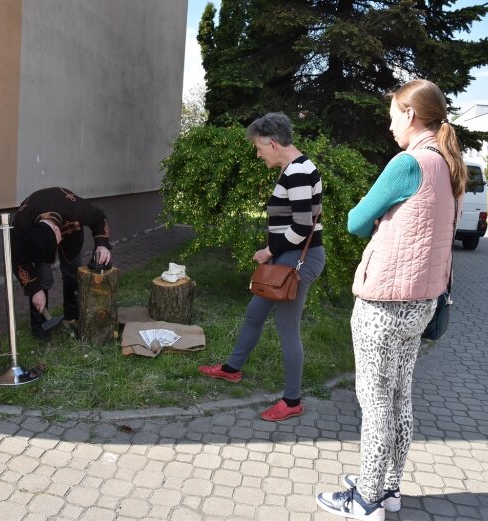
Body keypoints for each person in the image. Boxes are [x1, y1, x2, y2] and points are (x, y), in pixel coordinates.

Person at [316, 80, 466, 521]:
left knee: (375, 398)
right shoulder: (448, 166)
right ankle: (389, 488)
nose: (388, 123)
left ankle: (365, 499)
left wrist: (382, 218)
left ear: (410, 114)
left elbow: (355, 221)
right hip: (422, 301)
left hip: (385, 302)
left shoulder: (408, 163)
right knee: (400, 395)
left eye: (392, 114)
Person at [197, 112, 325, 422]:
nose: (257, 154)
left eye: (258, 147)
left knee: (286, 328)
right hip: (288, 258)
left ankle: (292, 400)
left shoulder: (296, 172)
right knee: (255, 312)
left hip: (298, 262)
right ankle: (232, 369)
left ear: (272, 143)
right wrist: (274, 253)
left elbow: (302, 226)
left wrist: (268, 250)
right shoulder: (297, 167)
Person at [10, 187, 112, 340]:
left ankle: (72, 317)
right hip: (37, 234)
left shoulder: (76, 208)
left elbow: (99, 218)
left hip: (72, 230)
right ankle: (40, 326)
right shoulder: (21, 223)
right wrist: (34, 289)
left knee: (72, 271)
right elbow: (18, 259)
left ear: (58, 231)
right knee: (42, 278)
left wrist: (102, 244)